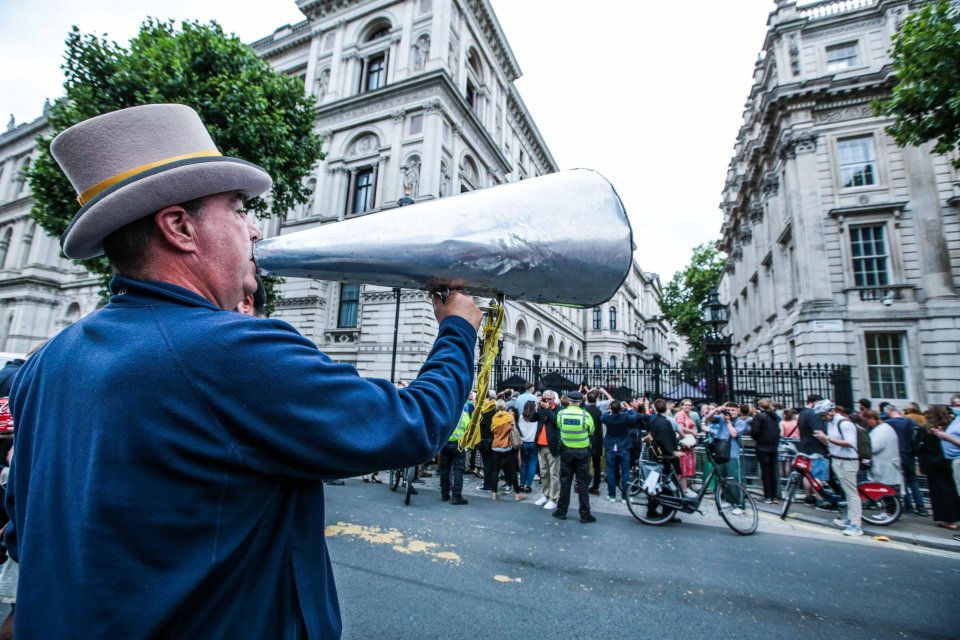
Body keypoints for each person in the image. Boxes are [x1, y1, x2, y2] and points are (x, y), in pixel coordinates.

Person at [3, 104, 482, 639]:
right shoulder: (230, 349)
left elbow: (25, 535)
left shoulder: (45, 362)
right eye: (237, 210)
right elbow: (412, 424)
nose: (255, 229)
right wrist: (458, 330)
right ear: (180, 227)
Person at [813, 400, 862, 537]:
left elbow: (850, 443)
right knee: (847, 492)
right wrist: (822, 439)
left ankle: (856, 525)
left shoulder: (845, 423)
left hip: (848, 462)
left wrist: (827, 437)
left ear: (832, 411)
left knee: (852, 494)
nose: (823, 418)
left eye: (823, 415)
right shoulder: (831, 423)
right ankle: (850, 519)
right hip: (837, 460)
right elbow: (832, 443)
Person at [552, 391, 596, 522]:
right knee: (582, 483)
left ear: (569, 400)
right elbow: (591, 430)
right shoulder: (585, 415)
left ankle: (561, 511)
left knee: (565, 482)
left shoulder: (561, 414)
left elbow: (559, 426)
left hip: (566, 451)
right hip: (582, 451)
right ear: (581, 401)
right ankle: (585, 514)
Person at [918, 406, 960, 532]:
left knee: (940, 492)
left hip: (935, 463)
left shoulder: (928, 429)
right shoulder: (950, 426)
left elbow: (923, 447)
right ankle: (953, 517)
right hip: (949, 461)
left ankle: (949, 520)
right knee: (952, 490)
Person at [886, 405, 929, 517]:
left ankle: (908, 507)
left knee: (903, 482)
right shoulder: (910, 422)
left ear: (888, 413)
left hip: (896, 454)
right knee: (913, 481)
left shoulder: (888, 424)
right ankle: (921, 507)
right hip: (909, 454)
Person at [601, 400, 646, 502]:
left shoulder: (607, 417)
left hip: (611, 446)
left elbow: (602, 416)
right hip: (624, 447)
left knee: (611, 472)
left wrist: (609, 411)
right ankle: (625, 496)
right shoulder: (625, 417)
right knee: (625, 473)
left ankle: (611, 495)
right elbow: (636, 415)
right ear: (621, 409)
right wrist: (629, 408)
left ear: (611, 408)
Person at [489, 400, 526, 501]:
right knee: (512, 471)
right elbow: (513, 430)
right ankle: (517, 494)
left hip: (495, 446)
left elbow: (492, 430)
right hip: (506, 446)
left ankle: (494, 493)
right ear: (504, 407)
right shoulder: (509, 417)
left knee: (495, 470)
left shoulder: (494, 418)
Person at [796, 394, 829, 505]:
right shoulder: (813, 414)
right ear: (814, 402)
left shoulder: (803, 413)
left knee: (808, 474)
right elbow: (819, 433)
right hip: (816, 448)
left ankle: (809, 497)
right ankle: (820, 498)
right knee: (817, 475)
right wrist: (828, 445)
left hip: (805, 447)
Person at [533, 390, 561, 511]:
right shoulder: (542, 408)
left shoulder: (558, 409)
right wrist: (536, 407)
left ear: (554, 399)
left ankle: (553, 498)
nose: (547, 401)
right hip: (541, 444)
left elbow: (557, 422)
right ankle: (545, 494)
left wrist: (548, 409)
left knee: (554, 474)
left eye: (550, 399)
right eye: (546, 399)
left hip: (552, 445)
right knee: (544, 473)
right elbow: (533, 419)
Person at [750, 399, 781, 504]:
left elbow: (754, 432)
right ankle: (774, 496)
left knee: (765, 472)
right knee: (773, 472)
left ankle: (767, 496)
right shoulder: (775, 417)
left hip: (762, 447)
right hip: (773, 447)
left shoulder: (759, 416)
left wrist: (757, 438)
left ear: (760, 406)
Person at [438, 408, 469, 505]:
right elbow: (468, 429)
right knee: (458, 470)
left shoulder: (447, 413)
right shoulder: (464, 414)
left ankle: (444, 494)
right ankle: (456, 496)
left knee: (445, 470)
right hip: (458, 445)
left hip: (445, 444)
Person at [865, 410, 902, 489]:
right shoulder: (885, 428)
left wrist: (865, 448)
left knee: (885, 491)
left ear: (872, 419)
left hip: (884, 467)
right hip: (887, 466)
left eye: (868, 420)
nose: (867, 423)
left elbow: (874, 447)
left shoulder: (880, 430)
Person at [516, 385, 539, 493]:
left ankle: (521, 484)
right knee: (532, 463)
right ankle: (528, 485)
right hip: (533, 442)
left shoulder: (521, 417)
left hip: (524, 442)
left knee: (524, 463)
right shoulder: (536, 418)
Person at [674, 398, 699, 498]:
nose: (688, 406)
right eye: (686, 405)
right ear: (682, 405)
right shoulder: (680, 415)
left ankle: (684, 489)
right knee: (683, 468)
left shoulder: (687, 415)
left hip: (687, 445)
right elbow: (680, 428)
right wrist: (692, 431)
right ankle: (683, 490)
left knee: (684, 469)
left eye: (689, 405)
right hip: (684, 444)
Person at [583, 389, 605, 496]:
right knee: (597, 465)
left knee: (585, 464)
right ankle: (596, 485)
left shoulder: (585, 411)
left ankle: (583, 483)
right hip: (597, 440)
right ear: (596, 399)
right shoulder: (598, 411)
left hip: (586, 439)